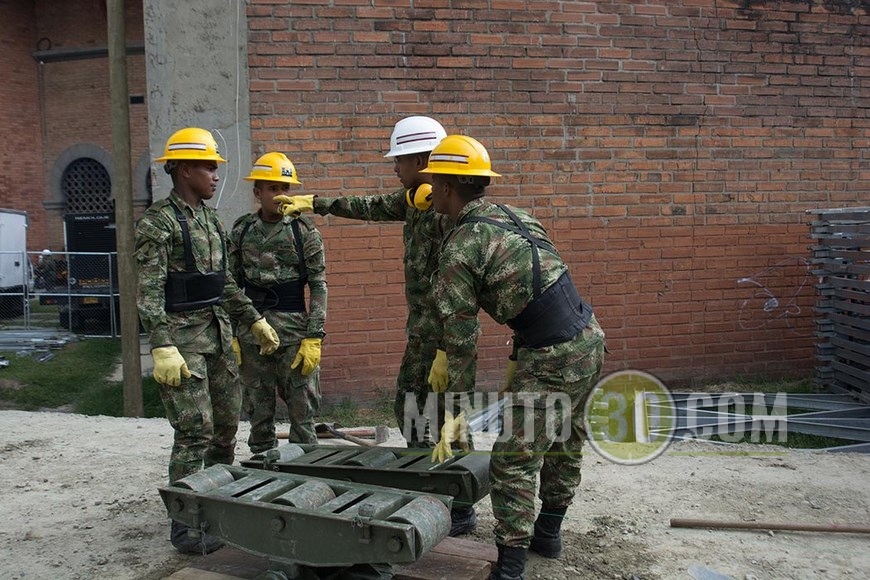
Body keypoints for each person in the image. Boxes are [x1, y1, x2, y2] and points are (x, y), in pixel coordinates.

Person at [273, 116, 479, 536]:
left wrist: (443, 348)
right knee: (415, 408)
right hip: (422, 330)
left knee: (443, 413)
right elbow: (368, 207)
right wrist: (314, 202)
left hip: (445, 333)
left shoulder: (448, 212)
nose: (394, 169)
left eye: (399, 160)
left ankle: (454, 501)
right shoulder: (414, 200)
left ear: (423, 160)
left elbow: (460, 289)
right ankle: (435, 488)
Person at [423, 135, 607, 580]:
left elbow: (462, 339)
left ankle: (509, 568)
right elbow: (543, 286)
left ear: (447, 186)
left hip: (552, 356)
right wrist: (515, 360)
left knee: (513, 461)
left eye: (432, 180)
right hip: (589, 337)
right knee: (565, 440)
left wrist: (458, 411)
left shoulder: (459, 248)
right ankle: (549, 533)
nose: (428, 189)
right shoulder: (516, 216)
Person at [135, 127, 281, 555]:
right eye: (207, 166)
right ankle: (184, 523)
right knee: (193, 433)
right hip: (182, 345)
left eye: (216, 166)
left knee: (225, 430)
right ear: (181, 169)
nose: (216, 175)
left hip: (219, 340)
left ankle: (215, 509)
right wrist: (160, 344)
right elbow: (147, 290)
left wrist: (253, 321)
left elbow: (225, 284)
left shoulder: (211, 220)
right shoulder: (157, 223)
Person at [228, 152, 327, 451]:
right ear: (257, 192)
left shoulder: (303, 231)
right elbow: (230, 282)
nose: (280, 195)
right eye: (272, 188)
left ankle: (306, 472)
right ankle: (262, 471)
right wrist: (233, 331)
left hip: (294, 336)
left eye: (285, 188)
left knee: (303, 413)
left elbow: (318, 284)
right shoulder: (242, 229)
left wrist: (315, 335)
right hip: (251, 336)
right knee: (258, 413)